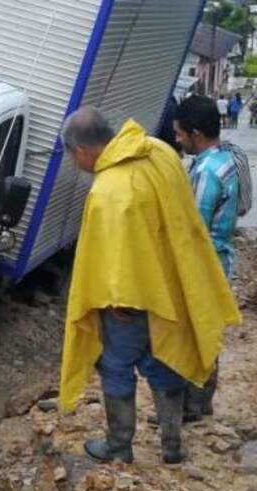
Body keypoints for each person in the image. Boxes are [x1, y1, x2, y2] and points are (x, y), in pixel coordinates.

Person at [58, 107, 240, 465]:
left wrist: (117, 300)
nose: (74, 163)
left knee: (115, 365)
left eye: (71, 157)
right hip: (173, 286)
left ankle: (118, 445)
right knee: (164, 361)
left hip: (130, 300)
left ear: (81, 150)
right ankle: (172, 446)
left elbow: (116, 255)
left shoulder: (108, 190)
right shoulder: (158, 152)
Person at [169, 95, 242, 422]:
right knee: (207, 331)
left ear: (195, 134)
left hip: (202, 265)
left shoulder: (206, 172)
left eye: (179, 133)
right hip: (219, 260)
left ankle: (190, 406)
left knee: (193, 334)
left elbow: (193, 230)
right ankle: (201, 402)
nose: (177, 140)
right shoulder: (226, 161)